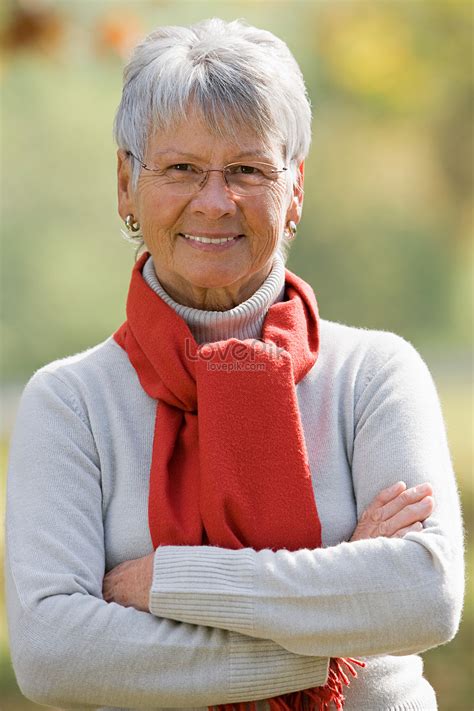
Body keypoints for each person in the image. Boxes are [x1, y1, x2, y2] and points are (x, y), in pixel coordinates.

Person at [5, 17, 464, 711]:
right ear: (127, 184)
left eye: (248, 169)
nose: (215, 201)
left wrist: (169, 582)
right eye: (181, 167)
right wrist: (339, 618)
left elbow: (425, 598)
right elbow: (55, 655)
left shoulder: (375, 374)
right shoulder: (70, 403)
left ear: (296, 188)